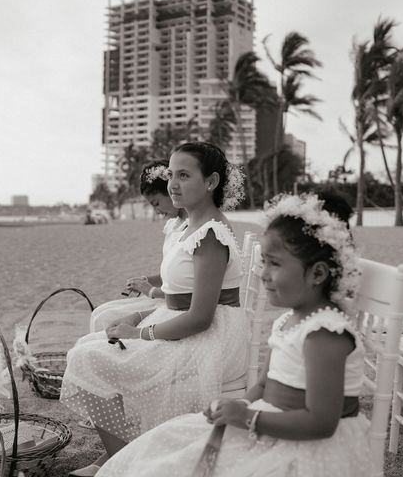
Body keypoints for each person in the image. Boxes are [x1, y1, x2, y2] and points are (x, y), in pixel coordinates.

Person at [96, 191, 371, 477]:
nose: (263, 274)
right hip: (267, 424)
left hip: (305, 449)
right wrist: (239, 404)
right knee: (167, 445)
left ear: (317, 274)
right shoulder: (290, 321)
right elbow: (263, 386)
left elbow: (321, 424)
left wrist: (248, 417)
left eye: (275, 264)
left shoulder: (325, 334)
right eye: (264, 261)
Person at [61, 142, 248, 476]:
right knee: (88, 347)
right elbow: (179, 298)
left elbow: (201, 317)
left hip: (209, 340)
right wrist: (137, 315)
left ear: (211, 182)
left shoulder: (210, 235)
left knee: (86, 360)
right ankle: (126, 456)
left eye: (184, 175)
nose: (173, 184)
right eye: (172, 174)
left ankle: (124, 464)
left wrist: (140, 333)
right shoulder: (191, 227)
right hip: (185, 324)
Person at [89, 160, 187, 333]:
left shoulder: (196, 231)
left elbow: (187, 289)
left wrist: (150, 291)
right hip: (167, 296)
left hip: (173, 302)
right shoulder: (174, 225)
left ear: (171, 191)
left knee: (105, 317)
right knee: (100, 313)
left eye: (156, 203)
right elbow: (173, 274)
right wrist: (146, 281)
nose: (156, 211)